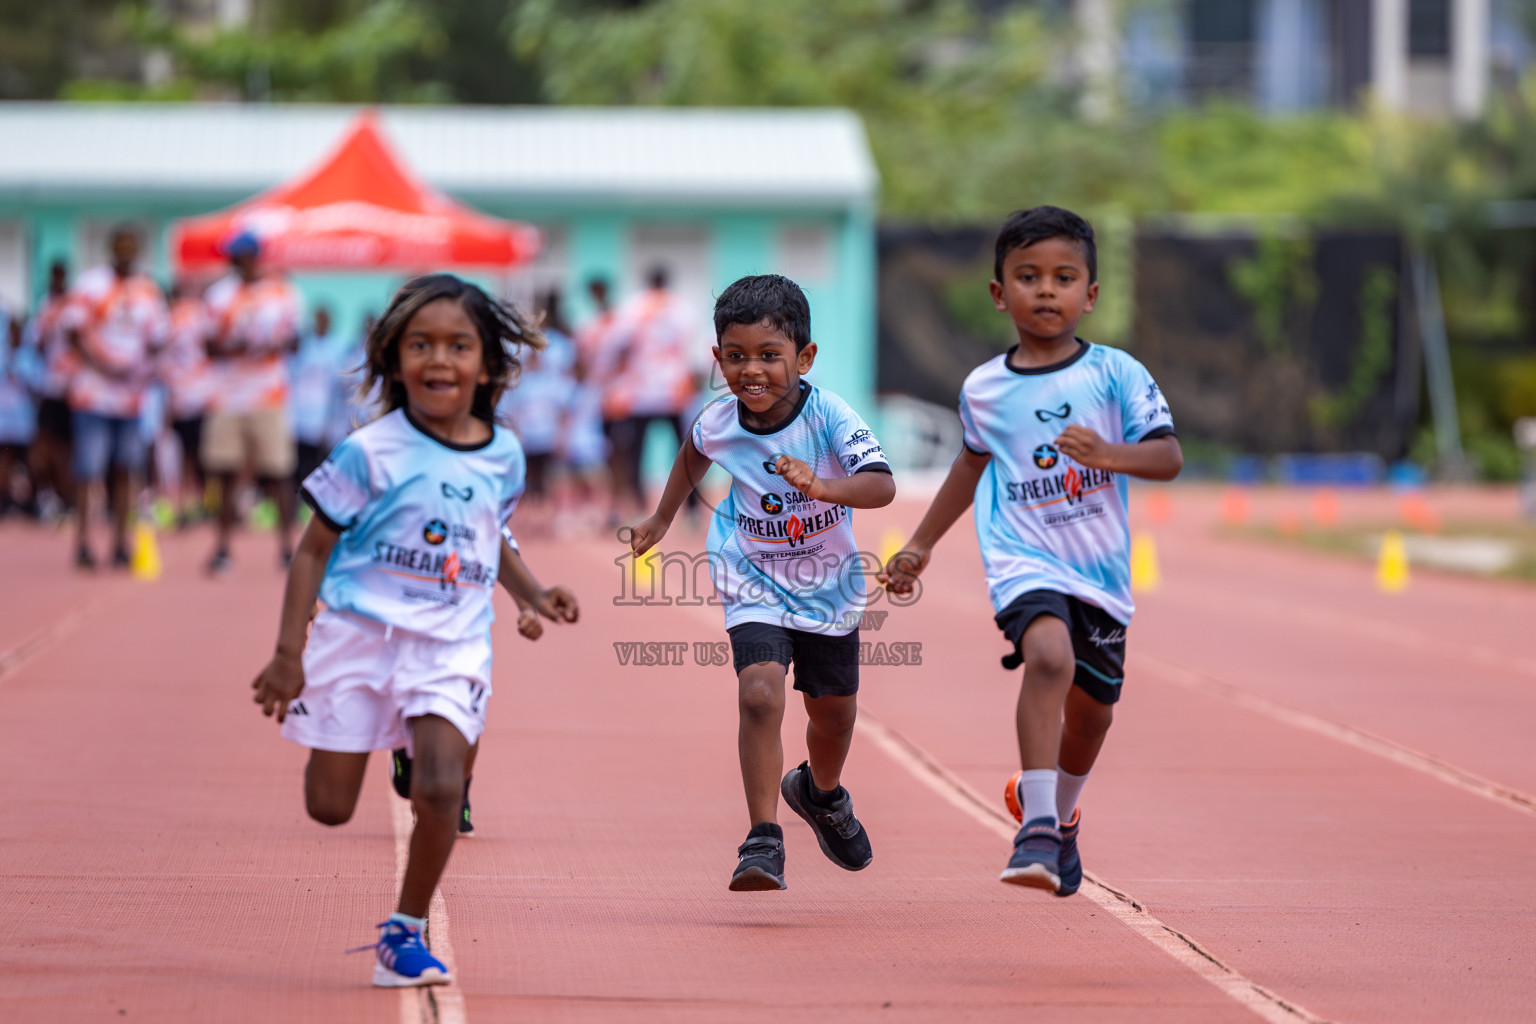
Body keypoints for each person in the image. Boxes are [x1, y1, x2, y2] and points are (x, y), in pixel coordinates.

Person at [251, 273, 579, 988]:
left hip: (449, 641)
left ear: (487, 365)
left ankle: (403, 935)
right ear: (394, 361)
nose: (439, 360)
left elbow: (489, 539)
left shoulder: (503, 455)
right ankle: (394, 735)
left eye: (458, 345)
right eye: (420, 345)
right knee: (329, 808)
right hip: (357, 637)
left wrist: (534, 592)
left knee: (439, 787)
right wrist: (287, 653)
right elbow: (312, 549)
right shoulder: (370, 451)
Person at [879, 206, 1182, 895]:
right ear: (999, 293)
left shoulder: (1115, 375)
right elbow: (969, 465)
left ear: (1090, 295)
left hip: (1099, 571)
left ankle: (1061, 815)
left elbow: (1168, 457)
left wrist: (1108, 453)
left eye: (1064, 277)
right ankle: (1037, 829)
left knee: (1095, 712)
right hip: (1023, 558)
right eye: (1028, 276)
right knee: (1048, 657)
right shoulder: (985, 389)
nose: (1046, 290)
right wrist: (920, 544)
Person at [629, 274, 895, 891]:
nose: (753, 371)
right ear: (717, 358)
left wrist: (824, 487)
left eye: (770, 357)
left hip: (828, 583)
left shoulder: (829, 415)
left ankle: (820, 792)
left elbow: (879, 484)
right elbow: (694, 450)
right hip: (749, 571)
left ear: (804, 358)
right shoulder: (719, 421)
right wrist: (663, 517)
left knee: (832, 715)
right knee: (760, 695)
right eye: (737, 356)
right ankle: (762, 839)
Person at [62, 225, 168, 569]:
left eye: (131, 246)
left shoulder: (148, 290)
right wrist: (105, 366)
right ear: (111, 248)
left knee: (126, 470)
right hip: (93, 395)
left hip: (131, 399)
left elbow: (158, 336)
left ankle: (121, 543)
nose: (125, 252)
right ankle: (82, 542)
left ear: (137, 250)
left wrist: (143, 365)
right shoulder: (91, 285)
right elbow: (73, 333)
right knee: (89, 472)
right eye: (120, 245)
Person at [202, 231, 303, 574]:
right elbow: (208, 347)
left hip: (268, 395)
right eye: (234, 256)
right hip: (228, 397)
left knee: (277, 473)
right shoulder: (219, 296)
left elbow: (295, 341)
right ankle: (222, 548)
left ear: (256, 256)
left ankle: (288, 548)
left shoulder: (282, 293)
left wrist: (273, 345)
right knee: (226, 474)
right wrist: (238, 347)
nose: (238, 261)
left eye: (244, 255)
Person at [605, 266, 701, 517]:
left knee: (636, 453)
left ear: (647, 282)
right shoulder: (683, 309)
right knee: (686, 453)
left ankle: (639, 505)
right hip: (675, 391)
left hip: (641, 393)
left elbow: (619, 346)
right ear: (667, 281)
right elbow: (694, 349)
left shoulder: (633, 307)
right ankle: (691, 510)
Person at [160, 277, 214, 526]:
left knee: (190, 457)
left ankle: (188, 504)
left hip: (190, 397)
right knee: (196, 456)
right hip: (195, 397)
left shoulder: (172, 319)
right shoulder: (201, 316)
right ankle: (193, 504)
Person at [24, 261, 76, 520]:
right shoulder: (46, 306)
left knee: (66, 448)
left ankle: (68, 496)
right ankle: (51, 495)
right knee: (44, 446)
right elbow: (37, 344)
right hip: (50, 387)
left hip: (71, 388)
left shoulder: (74, 306)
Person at [290, 305, 344, 486]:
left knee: (316, 464)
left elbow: (337, 390)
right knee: (293, 464)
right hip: (297, 416)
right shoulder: (303, 346)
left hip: (322, 418)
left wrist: (331, 421)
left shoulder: (337, 349)